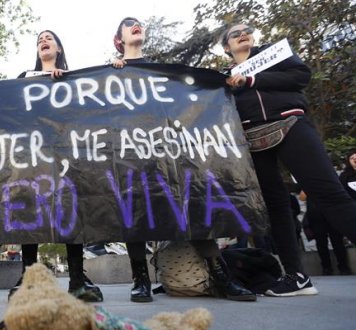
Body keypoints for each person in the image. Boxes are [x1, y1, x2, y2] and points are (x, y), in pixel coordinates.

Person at [113, 17, 256, 302]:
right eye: (128, 24)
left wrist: (218, 82)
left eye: (138, 23)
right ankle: (140, 278)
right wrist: (113, 72)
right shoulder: (110, 74)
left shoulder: (167, 73)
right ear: (119, 40)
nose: (135, 25)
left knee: (192, 204)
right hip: (132, 155)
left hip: (170, 153)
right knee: (134, 210)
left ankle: (220, 275)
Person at [223, 23, 356, 295]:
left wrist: (252, 80)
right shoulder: (223, 79)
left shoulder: (274, 54)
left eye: (246, 30)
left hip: (291, 124)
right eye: (234, 34)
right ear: (226, 47)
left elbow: (301, 75)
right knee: (276, 206)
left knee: (330, 193)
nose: (242, 34)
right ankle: (297, 277)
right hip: (252, 140)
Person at [8, 30, 104, 303]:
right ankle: (29, 279)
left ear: (59, 48)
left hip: (67, 155)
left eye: (48, 38)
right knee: (30, 210)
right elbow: (6, 109)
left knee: (71, 208)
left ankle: (77, 278)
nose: (43, 41)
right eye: (39, 40)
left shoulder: (75, 79)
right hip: (31, 155)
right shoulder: (24, 78)